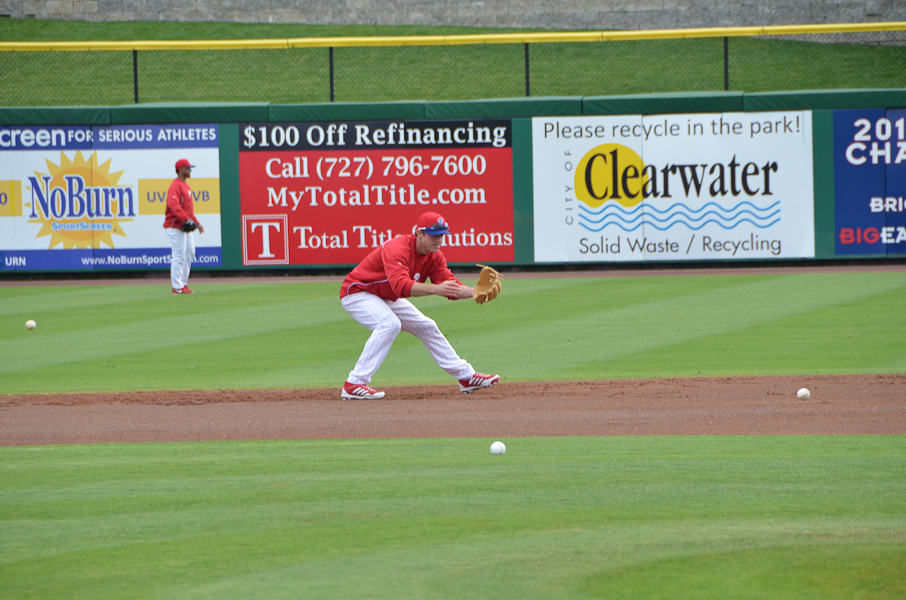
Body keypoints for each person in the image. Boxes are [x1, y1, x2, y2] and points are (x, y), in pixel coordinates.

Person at [339, 211, 500, 399]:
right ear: (419, 233)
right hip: (357, 293)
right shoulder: (397, 248)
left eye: (441, 235)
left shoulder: (435, 256)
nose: (438, 240)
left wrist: (474, 292)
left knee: (427, 326)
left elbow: (450, 286)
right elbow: (400, 286)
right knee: (389, 324)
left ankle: (466, 377)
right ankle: (355, 383)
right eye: (433, 235)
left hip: (384, 296)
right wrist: (436, 289)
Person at [164, 158, 204, 294]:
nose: (190, 170)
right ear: (181, 170)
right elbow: (173, 205)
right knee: (179, 255)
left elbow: (188, 211)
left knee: (190, 252)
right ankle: (177, 286)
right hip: (175, 226)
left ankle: (183, 283)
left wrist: (197, 223)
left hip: (185, 226)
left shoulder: (186, 186)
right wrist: (186, 219)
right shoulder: (176, 185)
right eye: (187, 168)